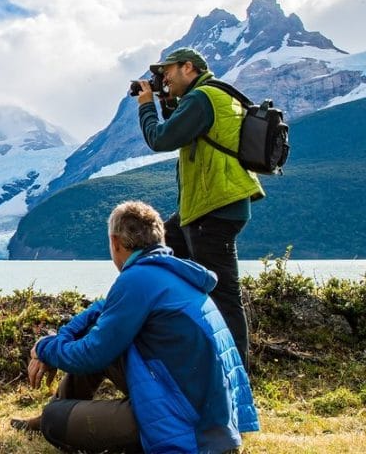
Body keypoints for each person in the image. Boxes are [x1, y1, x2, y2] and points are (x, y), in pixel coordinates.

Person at [15, 201, 259, 453]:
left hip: (188, 426)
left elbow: (91, 353)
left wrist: (44, 348)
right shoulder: (168, 272)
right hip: (211, 420)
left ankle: (53, 418)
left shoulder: (137, 279)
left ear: (115, 242)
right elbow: (102, 309)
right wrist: (58, 339)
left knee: (54, 419)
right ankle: (56, 412)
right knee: (99, 337)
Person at [134, 47, 263, 365]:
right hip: (209, 206)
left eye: (168, 71)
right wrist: (164, 99)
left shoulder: (202, 98)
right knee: (159, 256)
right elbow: (181, 126)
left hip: (212, 208)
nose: (164, 77)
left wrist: (147, 104)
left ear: (188, 67)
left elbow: (161, 139)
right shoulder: (216, 94)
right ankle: (177, 355)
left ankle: (236, 375)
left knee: (223, 294)